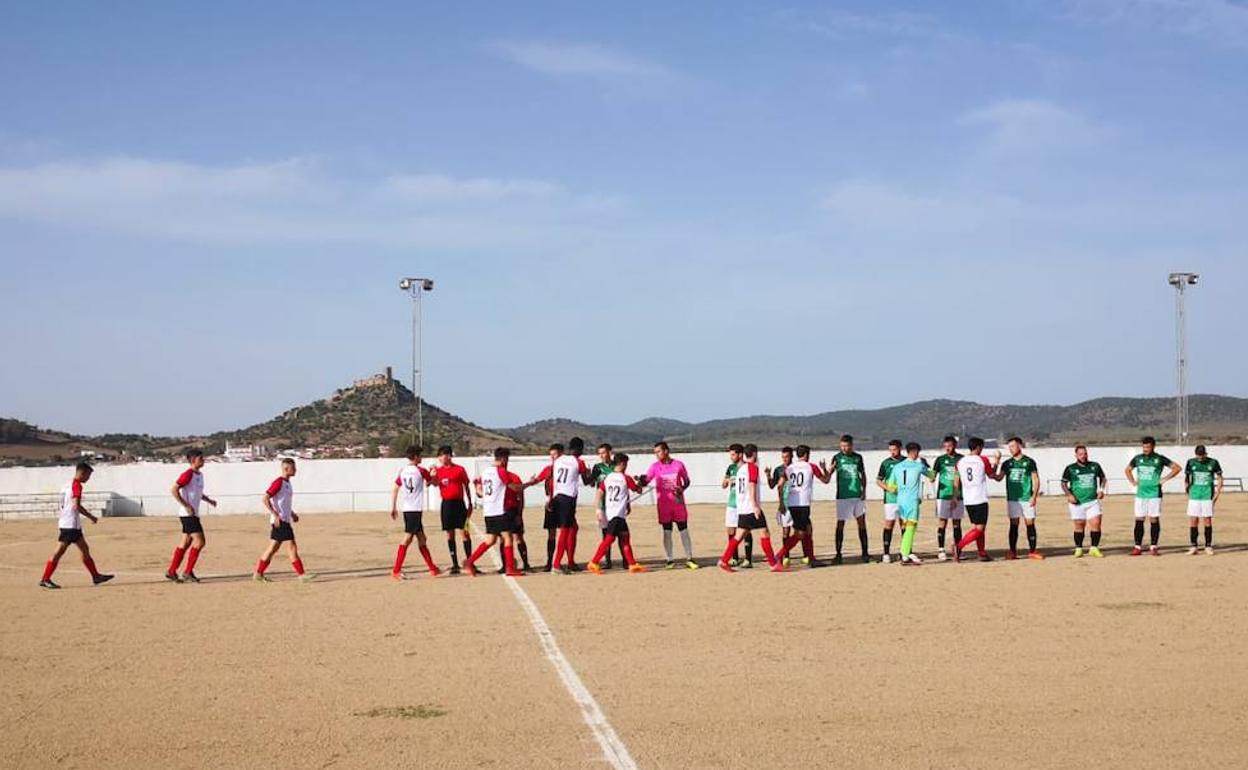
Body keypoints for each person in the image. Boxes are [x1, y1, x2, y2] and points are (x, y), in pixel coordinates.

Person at [39, 462, 114, 589]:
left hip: (68, 522)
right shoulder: (76, 485)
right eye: (88, 475)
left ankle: (96, 576)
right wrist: (91, 516)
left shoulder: (66, 485)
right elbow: (76, 506)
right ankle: (45, 579)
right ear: (82, 473)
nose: (88, 478)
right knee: (59, 552)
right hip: (70, 525)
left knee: (84, 549)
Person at [527, 439, 591, 574]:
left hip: (555, 498)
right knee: (564, 531)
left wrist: (528, 484)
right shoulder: (578, 462)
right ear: (580, 449)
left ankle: (563, 562)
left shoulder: (558, 462)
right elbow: (587, 481)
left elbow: (543, 478)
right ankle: (556, 564)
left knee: (569, 529)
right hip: (567, 499)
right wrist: (593, 474)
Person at [717, 444, 780, 572]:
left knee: (739, 536)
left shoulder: (741, 469)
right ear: (755, 454)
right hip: (751, 508)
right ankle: (773, 564)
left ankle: (724, 560)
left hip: (742, 508)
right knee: (764, 533)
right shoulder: (752, 467)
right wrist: (755, 505)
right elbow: (751, 485)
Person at [464, 448, 526, 577]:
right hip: (499, 510)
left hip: (488, 511)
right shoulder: (501, 471)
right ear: (503, 459)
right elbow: (513, 487)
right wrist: (530, 483)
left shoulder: (486, 471)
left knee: (491, 540)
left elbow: (480, 491)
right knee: (508, 537)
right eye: (506, 459)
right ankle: (510, 568)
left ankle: (469, 562)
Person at [254, 458, 314, 582]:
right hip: (280, 521)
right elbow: (265, 498)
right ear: (286, 469)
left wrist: (292, 513)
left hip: (284, 520)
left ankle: (258, 574)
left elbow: (283, 503)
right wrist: (275, 514)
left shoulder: (287, 483)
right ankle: (301, 575)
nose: (295, 470)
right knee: (291, 547)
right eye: (293, 468)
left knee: (273, 548)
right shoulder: (279, 482)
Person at [639, 442, 697, 570]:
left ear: (666, 451)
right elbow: (646, 480)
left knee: (683, 529)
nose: (656, 454)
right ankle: (669, 559)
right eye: (655, 452)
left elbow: (687, 481)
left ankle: (689, 558)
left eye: (658, 451)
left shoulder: (678, 464)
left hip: (678, 503)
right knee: (667, 531)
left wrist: (682, 488)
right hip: (664, 505)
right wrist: (640, 480)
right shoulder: (654, 467)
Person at [587, 453, 648, 574]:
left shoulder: (608, 477)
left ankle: (632, 564)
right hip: (618, 513)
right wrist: (640, 482)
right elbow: (638, 490)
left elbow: (599, 493)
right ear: (622, 464)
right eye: (626, 464)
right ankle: (594, 562)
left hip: (612, 512)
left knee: (625, 537)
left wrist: (598, 509)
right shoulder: (625, 478)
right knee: (609, 539)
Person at [771, 445, 830, 567]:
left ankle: (811, 558)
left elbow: (780, 485)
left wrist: (782, 502)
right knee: (800, 533)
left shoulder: (790, 468)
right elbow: (825, 480)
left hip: (792, 503)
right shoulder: (811, 466)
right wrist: (826, 469)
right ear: (807, 454)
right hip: (803, 503)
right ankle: (779, 555)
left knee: (808, 528)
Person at [389, 446, 441, 580]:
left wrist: (393, 507)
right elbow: (433, 483)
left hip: (408, 509)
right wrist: (434, 473)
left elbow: (395, 488)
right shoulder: (420, 470)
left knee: (422, 539)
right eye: (420, 455)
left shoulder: (403, 471)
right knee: (407, 538)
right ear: (416, 457)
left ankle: (433, 568)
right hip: (415, 509)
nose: (421, 457)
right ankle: (396, 570)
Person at [166, 448, 218, 583]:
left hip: (193, 514)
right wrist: (186, 505)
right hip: (188, 515)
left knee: (185, 543)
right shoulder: (187, 474)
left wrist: (209, 500)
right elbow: (174, 489)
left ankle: (172, 571)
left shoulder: (199, 475)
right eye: (201, 458)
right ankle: (188, 572)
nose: (203, 460)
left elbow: (197, 493)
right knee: (200, 542)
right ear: (193, 460)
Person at [1125, 436, 1181, 556]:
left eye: (1148, 447)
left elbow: (1177, 468)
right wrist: (1133, 482)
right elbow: (1127, 470)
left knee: (1154, 519)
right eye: (1144, 447)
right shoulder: (1138, 458)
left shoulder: (1159, 458)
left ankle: (1153, 546)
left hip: (1155, 494)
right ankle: (1137, 547)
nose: (1145, 449)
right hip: (1141, 494)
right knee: (1139, 519)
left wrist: (1164, 479)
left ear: (1153, 447)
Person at [884, 443, 935, 565]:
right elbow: (932, 476)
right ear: (916, 452)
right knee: (911, 527)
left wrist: (901, 488)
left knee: (906, 527)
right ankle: (905, 555)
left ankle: (905, 553)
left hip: (900, 500)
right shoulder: (919, 466)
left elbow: (891, 485)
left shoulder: (897, 466)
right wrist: (926, 465)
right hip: (912, 500)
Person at [952, 438, 1000, 562]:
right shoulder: (982, 459)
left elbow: (956, 481)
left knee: (978, 527)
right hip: (979, 497)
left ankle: (982, 553)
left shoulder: (960, 462)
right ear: (978, 447)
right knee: (979, 529)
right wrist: (997, 461)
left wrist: (955, 496)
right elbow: (992, 474)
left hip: (968, 499)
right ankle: (959, 546)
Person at [994, 437, 1043, 560]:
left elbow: (1035, 479)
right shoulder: (1007, 463)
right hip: (1013, 499)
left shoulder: (1029, 462)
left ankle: (1032, 551)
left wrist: (1034, 496)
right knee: (1014, 525)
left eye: (1013, 446)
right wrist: (996, 462)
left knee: (1030, 524)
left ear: (1020, 446)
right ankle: (1012, 551)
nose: (1011, 449)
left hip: (1026, 498)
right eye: (1009, 447)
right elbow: (998, 478)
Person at [432, 445, 474, 574]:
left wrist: (470, 502)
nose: (441, 458)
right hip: (446, 504)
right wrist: (432, 476)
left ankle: (470, 561)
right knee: (450, 533)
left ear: (449, 456)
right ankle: (455, 563)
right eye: (440, 456)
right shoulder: (438, 471)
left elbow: (466, 485)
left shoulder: (459, 469)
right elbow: (433, 484)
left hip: (459, 504)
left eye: (444, 455)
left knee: (465, 532)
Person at [1061, 445, 1107, 558]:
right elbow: (1063, 483)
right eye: (1080, 454)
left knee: (1096, 523)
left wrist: (1101, 490)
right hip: (1077, 502)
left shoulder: (1094, 466)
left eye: (1085, 453)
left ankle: (1094, 548)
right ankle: (1079, 549)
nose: (1083, 456)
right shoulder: (1070, 468)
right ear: (1076, 455)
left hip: (1092, 501)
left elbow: (1103, 478)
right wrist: (1069, 495)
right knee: (1079, 525)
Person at [830, 434, 869, 564]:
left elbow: (862, 474)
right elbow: (828, 474)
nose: (844, 448)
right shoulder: (837, 457)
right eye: (842, 446)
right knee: (840, 524)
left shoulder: (858, 457)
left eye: (846, 446)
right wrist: (826, 469)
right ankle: (838, 554)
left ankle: (865, 553)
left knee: (861, 522)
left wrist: (864, 490)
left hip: (856, 495)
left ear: (851, 445)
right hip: (843, 495)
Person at [588, 443, 627, 569]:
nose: (601, 456)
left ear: (610, 452)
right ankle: (607, 560)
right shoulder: (598, 467)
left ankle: (625, 560)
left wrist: (627, 503)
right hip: (604, 506)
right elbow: (590, 483)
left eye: (603, 453)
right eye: (599, 453)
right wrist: (588, 476)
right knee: (606, 533)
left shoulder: (617, 466)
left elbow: (624, 486)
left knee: (621, 533)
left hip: (617, 506)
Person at [1185, 445, 1223, 555]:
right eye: (1198, 456)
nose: (1200, 458)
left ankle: (1208, 546)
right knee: (1193, 520)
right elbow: (1187, 478)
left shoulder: (1213, 462)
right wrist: (1187, 490)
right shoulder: (1190, 462)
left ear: (1205, 454)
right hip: (1194, 495)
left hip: (1207, 495)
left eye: (1202, 456)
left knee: (1207, 520)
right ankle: (1193, 546)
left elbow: (1220, 477)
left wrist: (1217, 492)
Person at [932, 436, 965, 561]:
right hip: (943, 495)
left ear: (955, 445)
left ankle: (958, 549)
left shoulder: (961, 459)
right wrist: (926, 470)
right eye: (945, 446)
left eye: (950, 446)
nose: (947, 448)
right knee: (942, 522)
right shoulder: (940, 460)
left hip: (958, 495)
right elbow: (932, 476)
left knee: (957, 523)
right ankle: (941, 549)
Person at [722, 444, 753, 567]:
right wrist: (728, 481)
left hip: (743, 504)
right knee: (731, 530)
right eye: (730, 454)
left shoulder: (748, 467)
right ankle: (734, 558)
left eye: (733, 454)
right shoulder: (731, 468)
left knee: (745, 531)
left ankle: (748, 559)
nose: (731, 457)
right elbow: (723, 485)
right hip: (732, 503)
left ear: (740, 455)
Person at [876, 440, 905, 563]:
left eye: (895, 449)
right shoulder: (886, 463)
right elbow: (879, 480)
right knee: (889, 524)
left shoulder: (907, 462)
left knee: (904, 524)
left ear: (900, 449)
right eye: (890, 450)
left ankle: (905, 551)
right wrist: (888, 488)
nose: (892, 452)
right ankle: (886, 553)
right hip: (890, 499)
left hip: (905, 498)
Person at [766, 447, 794, 564]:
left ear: (792, 456)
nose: (785, 459)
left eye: (787, 457)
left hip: (797, 503)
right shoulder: (779, 470)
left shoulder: (796, 468)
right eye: (783, 457)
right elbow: (772, 485)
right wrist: (768, 476)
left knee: (801, 531)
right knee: (785, 531)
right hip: (785, 504)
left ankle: (807, 555)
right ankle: (786, 555)